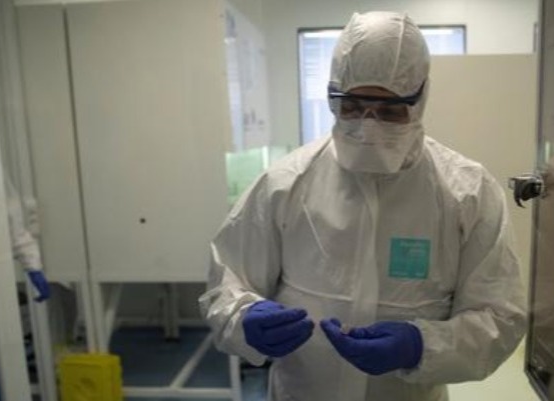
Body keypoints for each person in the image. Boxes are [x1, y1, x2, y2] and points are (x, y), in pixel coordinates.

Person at [200, 11, 526, 401]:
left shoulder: (467, 192)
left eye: (389, 110)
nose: (368, 125)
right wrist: (242, 317)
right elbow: (227, 283)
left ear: (419, 99)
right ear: (331, 95)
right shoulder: (284, 184)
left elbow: (499, 317)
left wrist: (422, 345)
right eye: (352, 106)